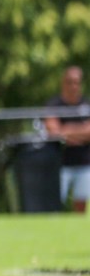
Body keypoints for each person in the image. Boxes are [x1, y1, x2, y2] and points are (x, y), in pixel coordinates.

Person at [43, 65, 90, 213]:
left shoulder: (87, 105)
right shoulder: (53, 105)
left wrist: (67, 131)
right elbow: (54, 132)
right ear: (63, 82)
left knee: (81, 205)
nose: (73, 85)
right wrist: (80, 132)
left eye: (76, 82)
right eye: (69, 81)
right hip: (59, 164)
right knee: (53, 204)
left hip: (84, 163)